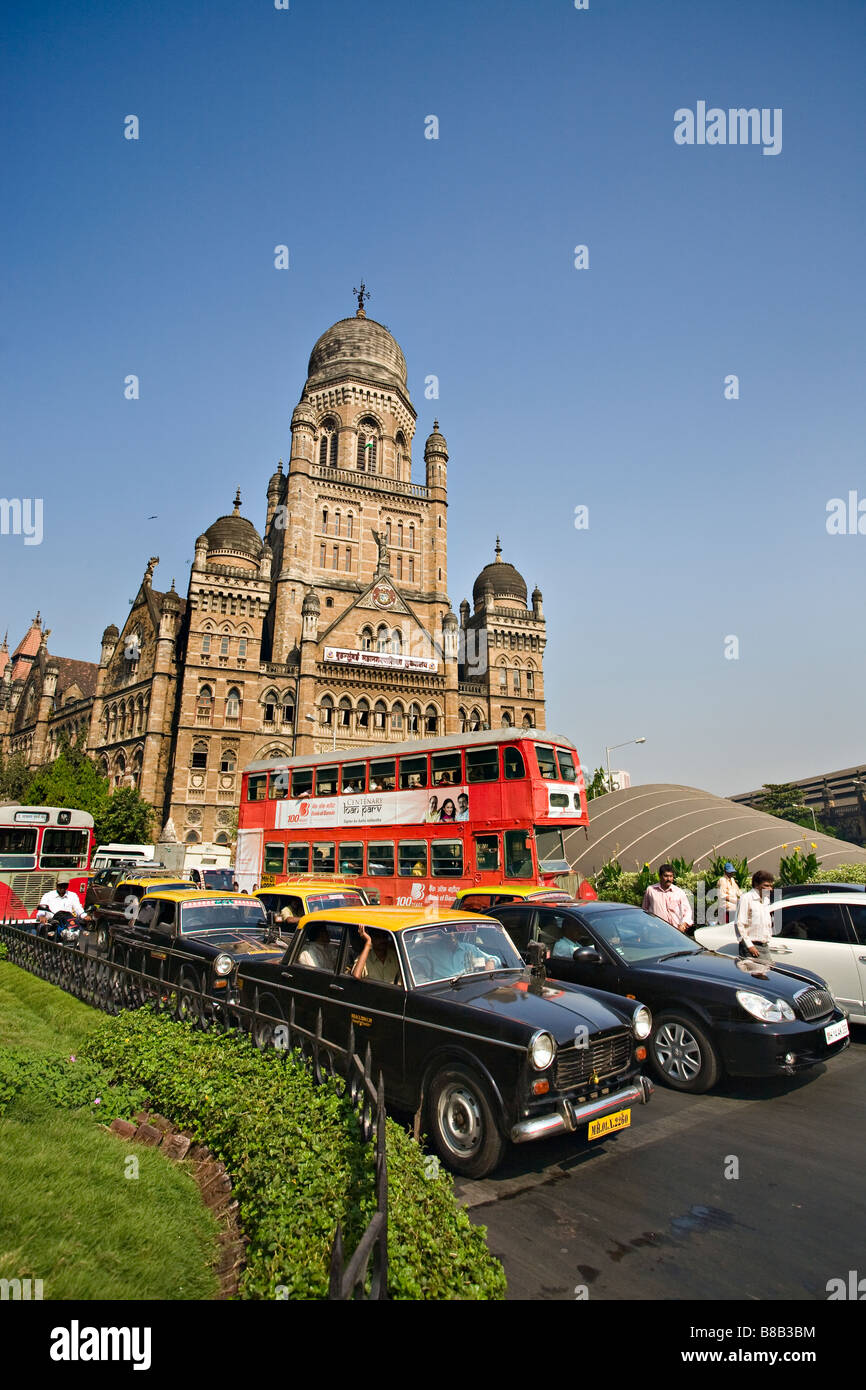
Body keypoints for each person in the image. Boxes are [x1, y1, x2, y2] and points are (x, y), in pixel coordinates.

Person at [409, 927, 497, 982]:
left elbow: (493, 958)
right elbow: (407, 957)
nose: (451, 935)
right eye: (448, 933)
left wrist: (491, 962)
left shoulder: (468, 948)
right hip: (441, 991)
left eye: (453, 932)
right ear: (440, 935)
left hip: (469, 987)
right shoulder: (428, 949)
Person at [735, 869, 776, 971]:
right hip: (752, 947)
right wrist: (750, 946)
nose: (770, 889)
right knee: (754, 981)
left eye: (771, 886)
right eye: (766, 885)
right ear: (756, 884)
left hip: (764, 946)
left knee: (766, 977)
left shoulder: (766, 900)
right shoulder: (746, 898)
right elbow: (739, 924)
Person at [642, 864, 693, 932]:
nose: (668, 879)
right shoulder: (651, 890)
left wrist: (684, 924)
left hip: (675, 931)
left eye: (671, 876)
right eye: (666, 876)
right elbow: (644, 910)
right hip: (656, 930)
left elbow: (688, 911)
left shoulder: (679, 892)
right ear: (660, 876)